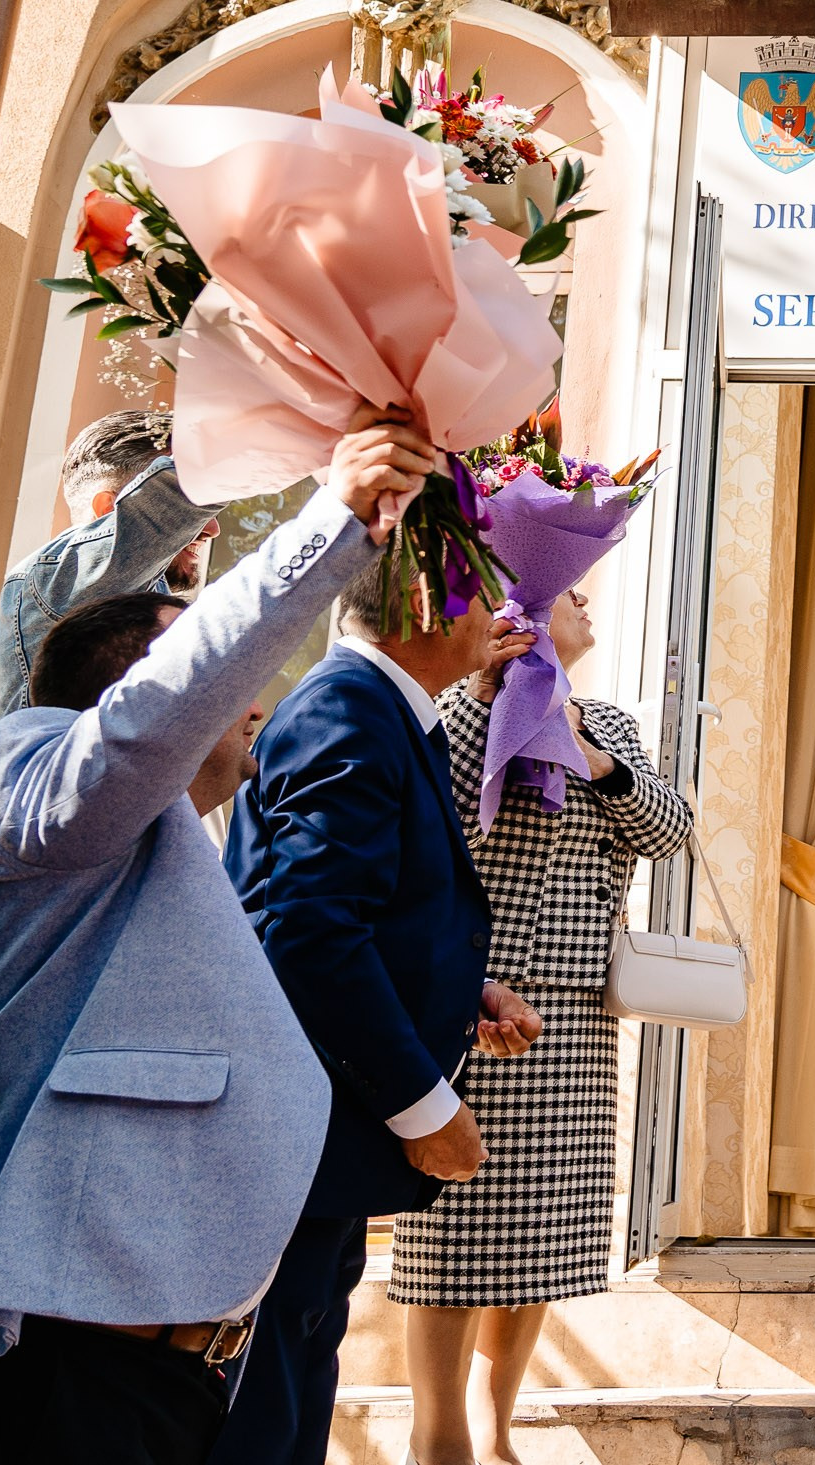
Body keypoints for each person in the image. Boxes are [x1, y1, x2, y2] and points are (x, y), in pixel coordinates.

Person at [0, 413, 434, 1465]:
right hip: (49, 1370)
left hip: (158, 1373)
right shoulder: (35, 777)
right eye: (216, 681)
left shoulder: (175, 837)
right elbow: (163, 708)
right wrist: (336, 517)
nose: (255, 706)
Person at [210, 566, 542, 1465]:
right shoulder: (348, 706)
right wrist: (427, 1107)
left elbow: (364, 907)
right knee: (260, 1416)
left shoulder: (382, 706)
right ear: (430, 606)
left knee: (294, 1392)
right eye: (489, 592)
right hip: (304, 1134)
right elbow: (311, 932)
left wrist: (462, 994)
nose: (507, 615)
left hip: (328, 1140)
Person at [386, 585, 690, 1465]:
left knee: (542, 1234)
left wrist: (597, 760)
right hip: (477, 1001)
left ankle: (497, 1426)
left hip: (578, 1011)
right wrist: (495, 694)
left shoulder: (610, 723)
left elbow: (669, 830)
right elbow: (432, 843)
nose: (591, 600)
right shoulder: (452, 712)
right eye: (568, 591)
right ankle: (437, 1438)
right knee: (452, 1233)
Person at [0, 410, 223, 719]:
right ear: (108, 510)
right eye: (161, 490)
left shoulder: (140, 594)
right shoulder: (62, 578)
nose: (213, 529)